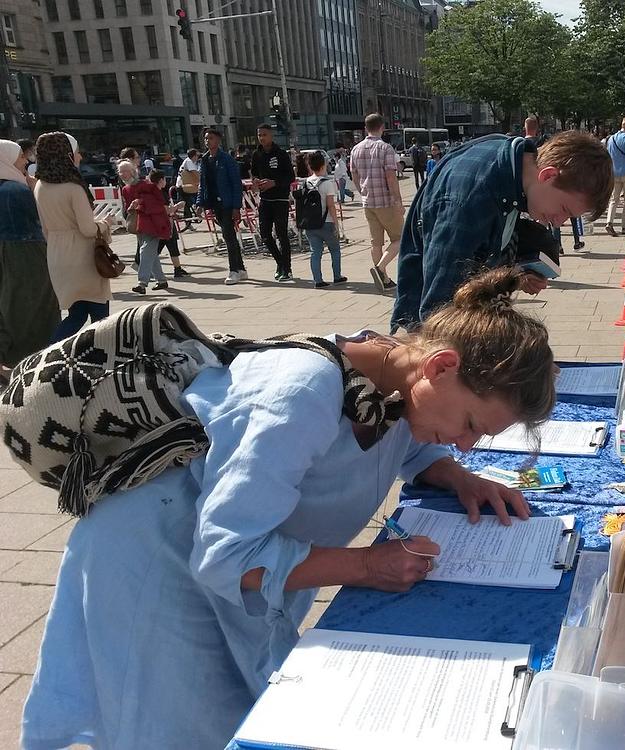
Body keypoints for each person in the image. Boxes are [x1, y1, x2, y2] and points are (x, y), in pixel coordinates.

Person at [22, 267, 558, 748]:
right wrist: (367, 566)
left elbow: (407, 445)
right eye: (469, 427)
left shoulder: (392, 375)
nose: (464, 444)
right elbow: (227, 555)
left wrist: (458, 477)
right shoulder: (301, 393)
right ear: (441, 367)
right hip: (158, 562)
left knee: (241, 712)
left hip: (217, 563)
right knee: (177, 725)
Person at [392, 131, 613, 331]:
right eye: (564, 209)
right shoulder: (469, 198)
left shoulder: (515, 167)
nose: (558, 223)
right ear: (548, 176)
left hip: (466, 317)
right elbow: (438, 312)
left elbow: (492, 239)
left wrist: (517, 274)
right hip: (436, 337)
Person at [33, 132, 115, 341]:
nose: (79, 157)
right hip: (83, 257)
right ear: (67, 155)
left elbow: (45, 229)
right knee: (100, 317)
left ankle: (50, 354)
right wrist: (105, 224)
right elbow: (88, 229)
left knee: (76, 315)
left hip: (57, 255)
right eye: (76, 153)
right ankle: (101, 357)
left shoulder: (40, 186)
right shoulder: (73, 188)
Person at [0, 140, 60, 375]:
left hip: (9, 251)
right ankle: (35, 361)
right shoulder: (16, 190)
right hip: (26, 253)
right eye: (20, 157)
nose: (25, 161)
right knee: (33, 307)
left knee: (7, 306)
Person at [351, 113, 404, 293]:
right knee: (400, 238)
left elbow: (354, 175)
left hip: (368, 202)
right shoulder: (385, 148)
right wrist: (398, 200)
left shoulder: (355, 149)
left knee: (376, 242)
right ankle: (380, 269)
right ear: (382, 127)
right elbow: (390, 176)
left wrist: (362, 192)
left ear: (366, 128)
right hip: (386, 201)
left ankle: (385, 280)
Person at [196, 127, 247, 285]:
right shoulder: (205, 159)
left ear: (218, 140)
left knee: (228, 236)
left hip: (227, 202)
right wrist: (200, 203)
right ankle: (241, 268)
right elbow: (202, 184)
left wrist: (236, 207)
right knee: (229, 235)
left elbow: (236, 184)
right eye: (206, 138)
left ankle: (234, 270)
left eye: (210, 138)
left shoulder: (227, 159)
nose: (207, 141)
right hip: (214, 202)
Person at [251, 123, 296, 281]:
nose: (261, 138)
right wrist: (255, 183)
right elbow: (254, 173)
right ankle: (280, 263)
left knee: (282, 235)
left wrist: (274, 182)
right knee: (264, 235)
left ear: (271, 135)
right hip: (265, 199)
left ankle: (287, 269)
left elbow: (290, 176)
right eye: (259, 135)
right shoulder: (257, 154)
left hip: (280, 199)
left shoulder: (281, 154)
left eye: (264, 134)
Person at [124, 169, 174, 294]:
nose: (121, 174)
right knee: (150, 254)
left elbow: (155, 208)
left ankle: (142, 283)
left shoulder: (142, 189)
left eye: (123, 171)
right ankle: (161, 280)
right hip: (146, 225)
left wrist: (138, 203)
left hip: (150, 226)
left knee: (146, 252)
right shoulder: (134, 189)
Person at [302, 150, 347, 288]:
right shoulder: (327, 182)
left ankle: (318, 280)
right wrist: (337, 224)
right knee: (335, 249)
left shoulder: (306, 183)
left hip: (310, 224)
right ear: (323, 165)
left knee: (315, 252)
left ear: (310, 166)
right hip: (326, 222)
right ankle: (337, 276)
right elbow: (330, 205)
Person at [604, 116, 625, 238]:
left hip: (614, 172)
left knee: (614, 199)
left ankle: (609, 222)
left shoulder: (612, 138)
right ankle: (624, 226)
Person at [175, 147, 201, 231]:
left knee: (187, 203)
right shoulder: (189, 161)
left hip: (186, 185)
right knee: (186, 204)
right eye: (197, 155)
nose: (198, 157)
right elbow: (195, 173)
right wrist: (203, 180)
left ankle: (191, 218)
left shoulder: (189, 162)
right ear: (193, 156)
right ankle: (188, 222)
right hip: (183, 186)